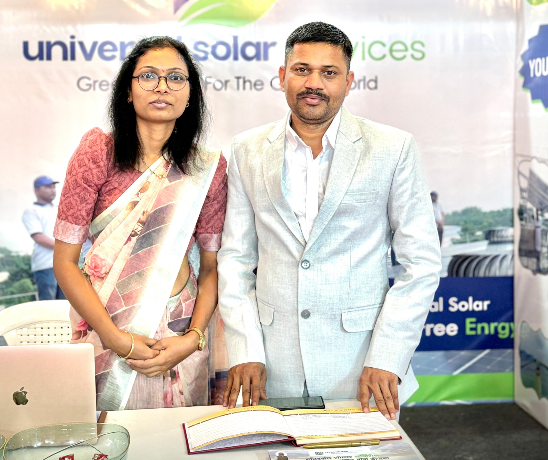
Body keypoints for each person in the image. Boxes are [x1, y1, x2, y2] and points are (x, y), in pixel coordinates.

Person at [217, 22, 441, 420]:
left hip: (362, 367)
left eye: (329, 72)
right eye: (302, 69)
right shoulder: (246, 149)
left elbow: (421, 262)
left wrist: (388, 356)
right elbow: (235, 258)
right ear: (282, 75)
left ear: (349, 81)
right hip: (270, 365)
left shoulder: (392, 148)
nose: (314, 83)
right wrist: (245, 349)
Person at [53, 37, 227, 411]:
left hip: (179, 333)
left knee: (179, 435)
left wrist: (193, 338)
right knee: (107, 435)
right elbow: (64, 262)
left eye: (176, 78)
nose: (162, 86)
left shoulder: (206, 167)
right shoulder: (98, 152)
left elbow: (212, 267)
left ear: (190, 95)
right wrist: (115, 338)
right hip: (107, 324)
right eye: (148, 76)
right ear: (128, 92)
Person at [22, 176, 66, 301]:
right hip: (46, 265)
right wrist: (64, 248)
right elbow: (38, 237)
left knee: (66, 304)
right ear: (36, 190)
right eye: (47, 187)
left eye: (53, 187)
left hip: (64, 263)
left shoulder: (59, 209)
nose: (52, 190)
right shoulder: (32, 211)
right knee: (49, 303)